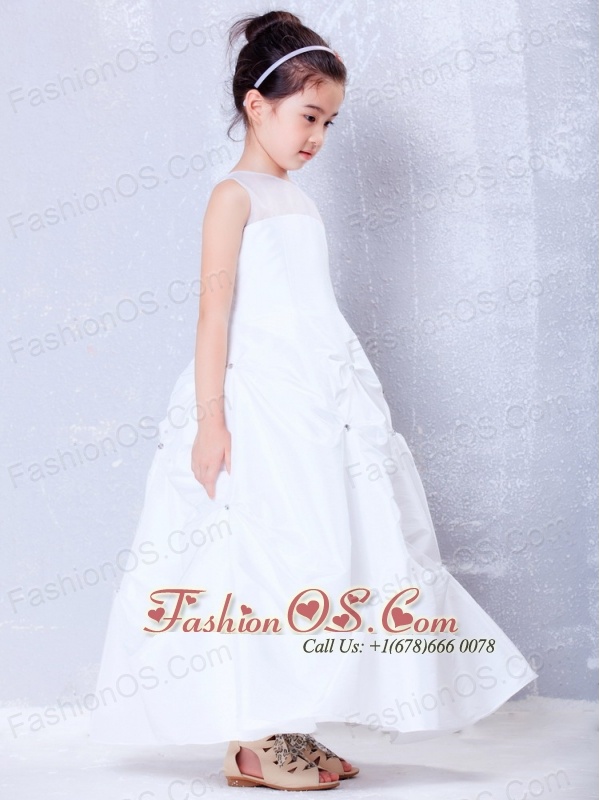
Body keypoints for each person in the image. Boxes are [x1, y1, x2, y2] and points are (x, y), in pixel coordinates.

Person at [88, 9, 539, 792]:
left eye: (329, 122)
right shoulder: (233, 196)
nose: (318, 137)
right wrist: (211, 421)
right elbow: (214, 314)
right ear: (256, 105)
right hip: (256, 405)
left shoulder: (296, 200)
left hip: (312, 401)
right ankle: (252, 741)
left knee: (314, 553)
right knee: (252, 558)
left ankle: (287, 722)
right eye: (307, 116)